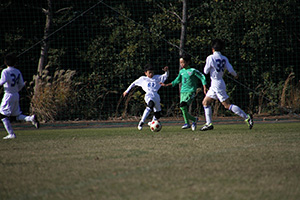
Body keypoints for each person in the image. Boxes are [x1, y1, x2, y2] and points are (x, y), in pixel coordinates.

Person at [201, 39, 253, 131]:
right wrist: (235, 75)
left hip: (217, 84)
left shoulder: (210, 58)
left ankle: (246, 117)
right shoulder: (224, 58)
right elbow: (231, 70)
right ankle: (209, 124)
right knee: (205, 102)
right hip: (217, 83)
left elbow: (205, 71)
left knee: (227, 105)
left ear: (212, 49)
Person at [160, 54, 207, 131]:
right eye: (180, 63)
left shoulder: (192, 71)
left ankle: (187, 123)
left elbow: (202, 77)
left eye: (183, 62)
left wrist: (204, 87)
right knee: (182, 107)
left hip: (191, 91)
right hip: (183, 92)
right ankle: (194, 120)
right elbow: (177, 80)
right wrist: (166, 84)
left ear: (188, 62)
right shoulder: (181, 71)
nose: (182, 64)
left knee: (183, 105)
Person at [0, 53, 39, 139]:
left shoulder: (5, 71)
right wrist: (16, 90)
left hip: (8, 95)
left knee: (2, 114)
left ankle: (11, 134)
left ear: (5, 62)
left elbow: (2, 82)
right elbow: (22, 84)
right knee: (17, 115)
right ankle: (31, 118)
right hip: (16, 94)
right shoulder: (17, 71)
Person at [123, 64, 169, 130]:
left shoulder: (157, 77)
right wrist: (126, 91)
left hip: (156, 95)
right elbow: (133, 83)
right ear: (145, 73)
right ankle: (141, 122)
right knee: (150, 104)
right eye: (149, 72)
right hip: (149, 95)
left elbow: (165, 76)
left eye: (152, 72)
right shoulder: (143, 79)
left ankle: (152, 122)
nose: (151, 74)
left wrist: (167, 71)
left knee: (158, 114)